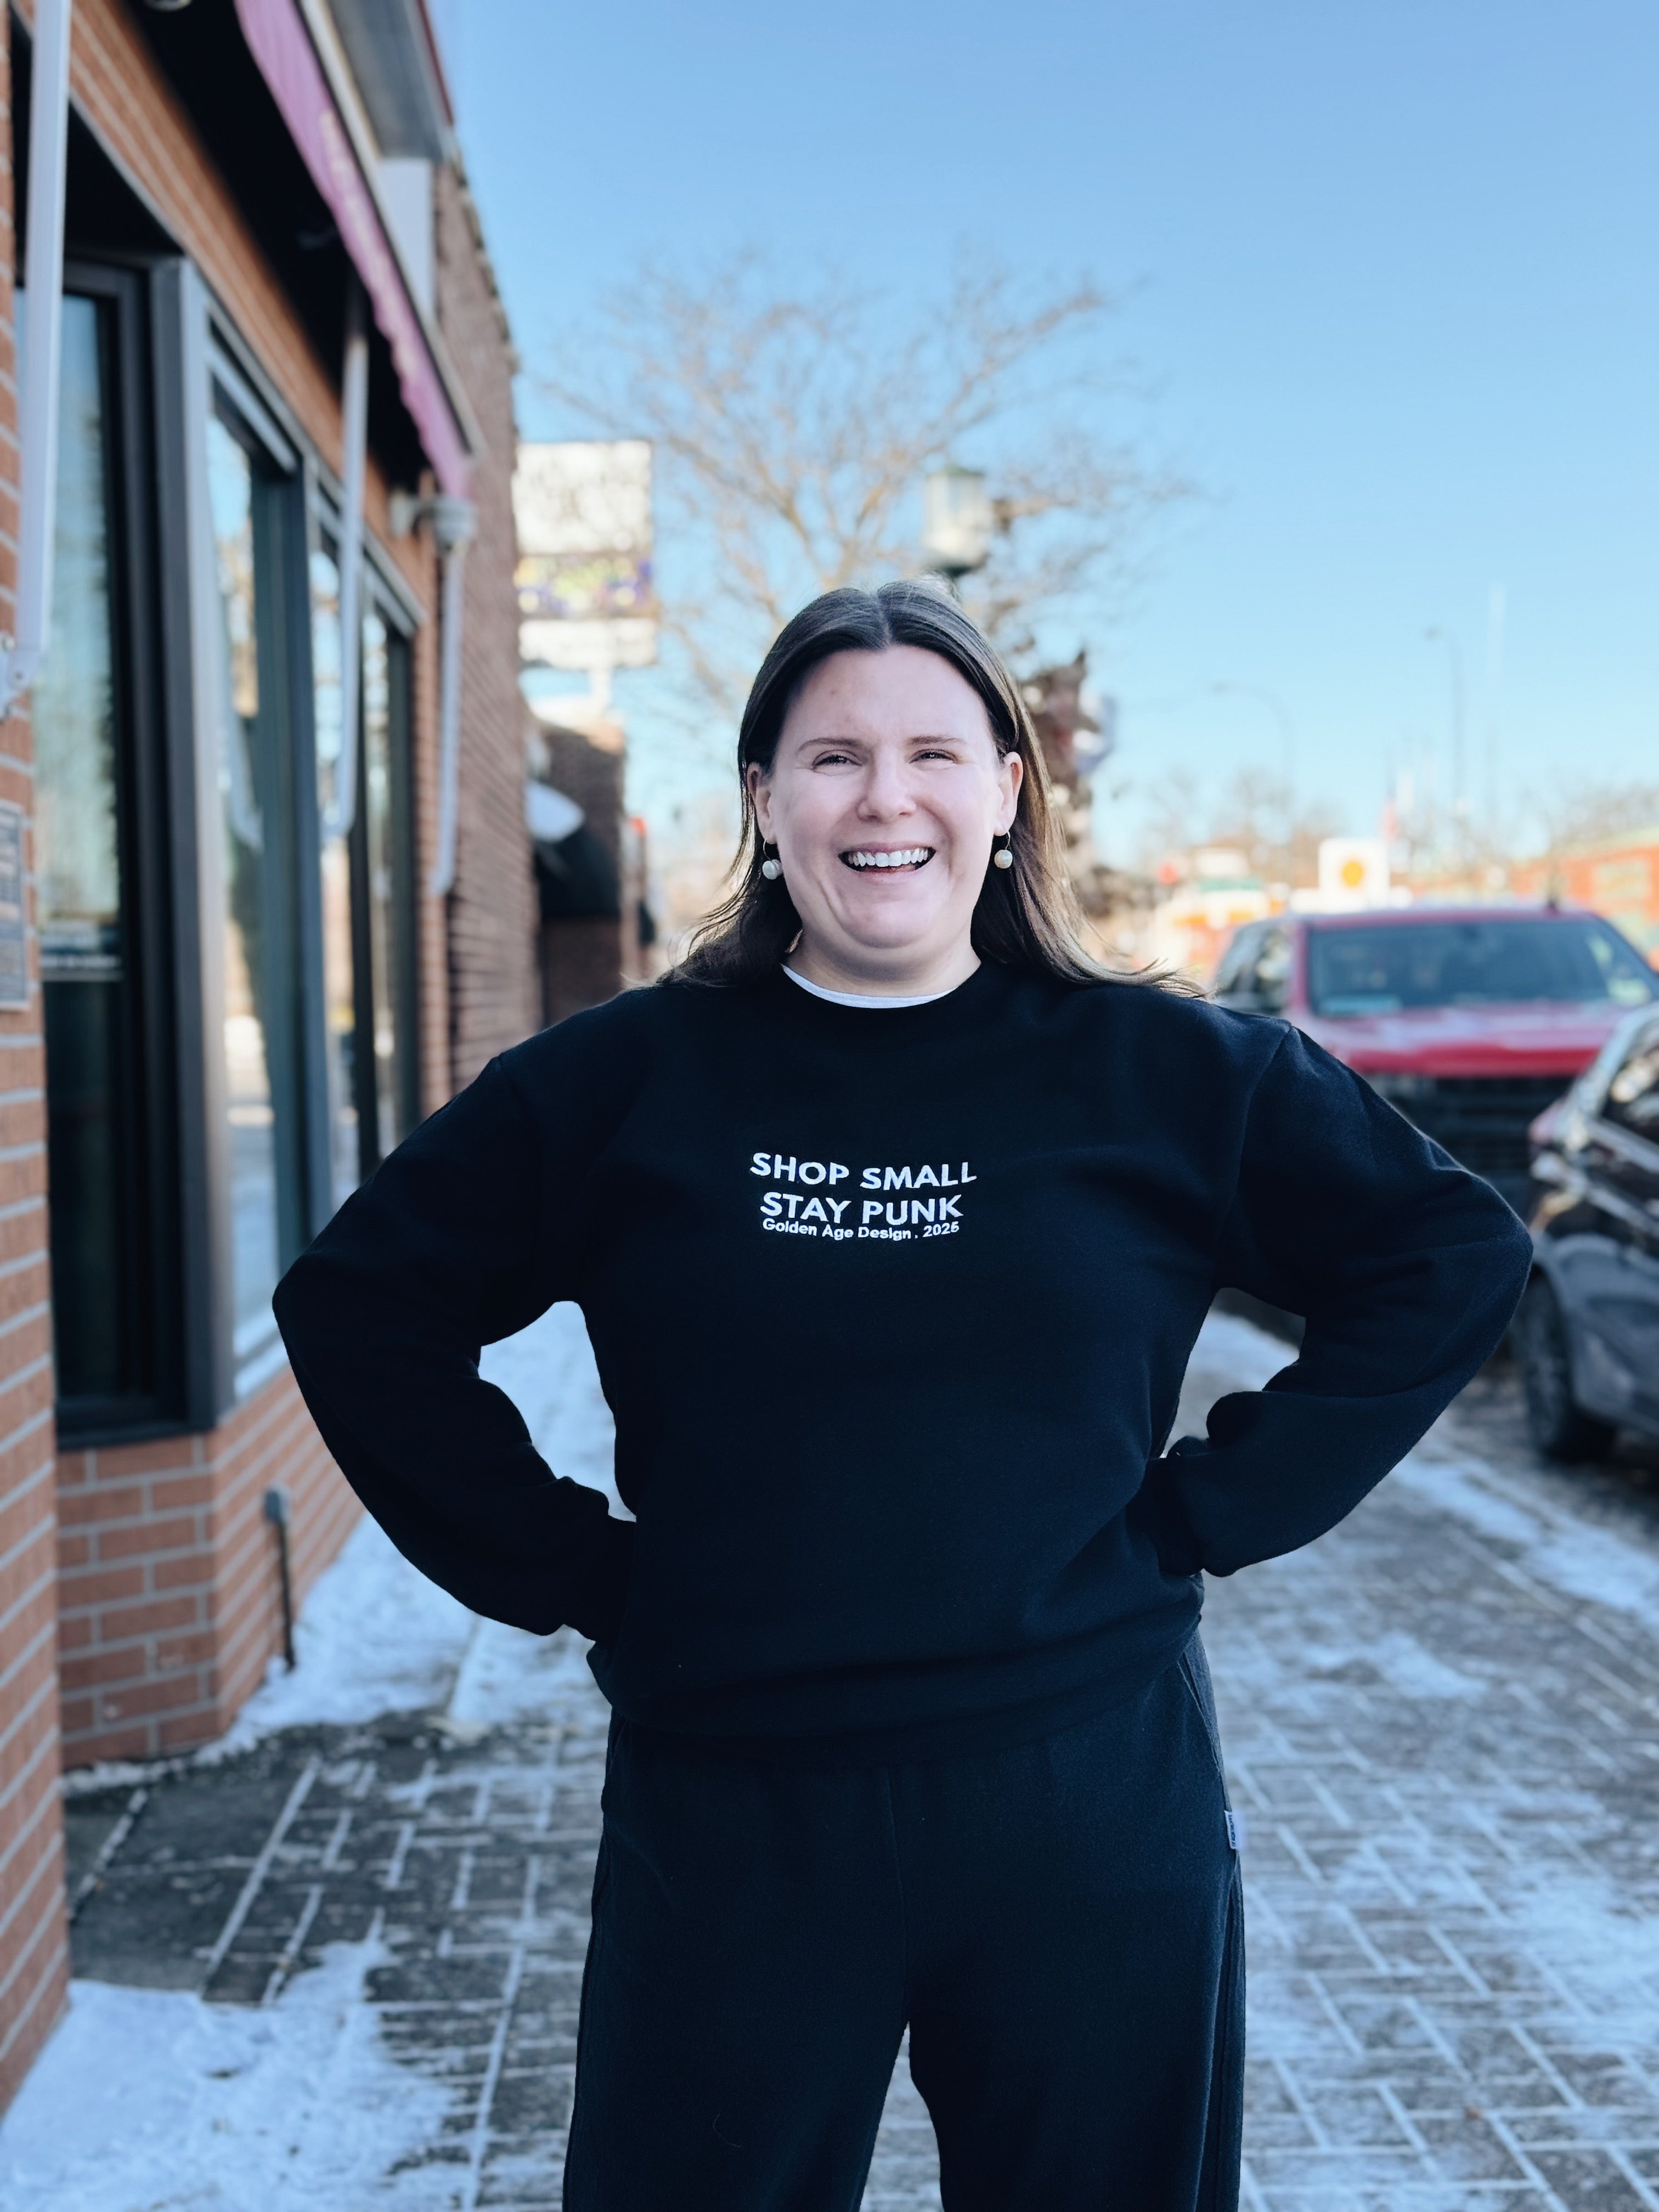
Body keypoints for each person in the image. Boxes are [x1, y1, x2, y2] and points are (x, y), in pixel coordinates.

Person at [274, 582, 1531, 2211]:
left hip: (1087, 1799)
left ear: (1005, 794)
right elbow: (361, 1303)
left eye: (935, 753)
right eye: (834, 757)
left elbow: (1449, 1252)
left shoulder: (1166, 1072)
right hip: (734, 1815)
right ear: (764, 799)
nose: (887, 798)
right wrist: (567, 1566)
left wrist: (1219, 1508)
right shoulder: (627, 1079)